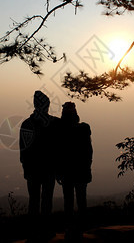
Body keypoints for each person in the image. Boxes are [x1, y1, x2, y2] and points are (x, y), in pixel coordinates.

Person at [20, 90, 59, 241]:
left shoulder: (27, 124)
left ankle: (34, 232)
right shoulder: (53, 123)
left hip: (34, 170)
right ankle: (44, 231)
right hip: (47, 169)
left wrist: (25, 168)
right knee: (45, 200)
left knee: (34, 201)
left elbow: (24, 150)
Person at [57, 102, 93, 241]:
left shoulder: (61, 130)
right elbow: (89, 150)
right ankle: (81, 227)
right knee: (81, 199)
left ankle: (70, 227)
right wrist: (88, 166)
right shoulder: (84, 128)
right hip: (81, 170)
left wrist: (58, 171)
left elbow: (58, 153)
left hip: (67, 171)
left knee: (69, 200)